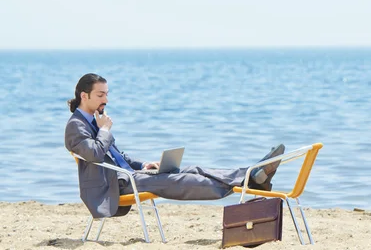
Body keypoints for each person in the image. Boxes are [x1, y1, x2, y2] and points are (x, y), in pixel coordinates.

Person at [65, 73, 284, 218]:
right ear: (85, 96)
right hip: (115, 185)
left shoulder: (94, 120)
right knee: (178, 179)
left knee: (192, 169)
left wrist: (145, 164)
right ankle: (249, 182)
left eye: (106, 94)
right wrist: (104, 130)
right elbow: (94, 154)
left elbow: (118, 156)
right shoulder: (76, 126)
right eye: (100, 95)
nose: (106, 100)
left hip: (129, 175)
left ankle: (249, 175)